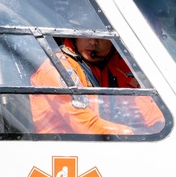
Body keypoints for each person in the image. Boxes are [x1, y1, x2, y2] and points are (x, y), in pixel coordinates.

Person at [30, 37, 161, 134]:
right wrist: (134, 133)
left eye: (101, 36)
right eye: (85, 33)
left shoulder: (102, 66)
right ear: (74, 37)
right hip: (63, 153)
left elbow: (147, 111)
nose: (93, 42)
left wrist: (157, 125)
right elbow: (87, 126)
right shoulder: (59, 68)